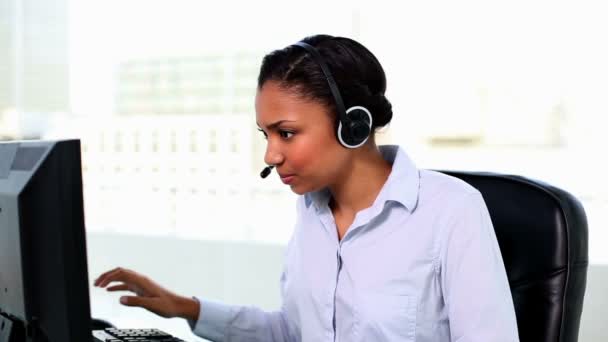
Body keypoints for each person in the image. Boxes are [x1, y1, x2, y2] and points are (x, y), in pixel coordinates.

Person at [94, 34, 520, 341]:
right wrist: (186, 308)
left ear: (353, 125)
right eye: (266, 135)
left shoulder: (451, 212)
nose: (270, 155)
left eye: (287, 133)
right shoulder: (312, 212)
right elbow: (294, 332)